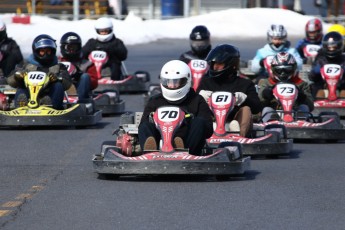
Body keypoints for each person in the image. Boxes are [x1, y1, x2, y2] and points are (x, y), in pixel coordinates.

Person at [138, 60, 213, 156]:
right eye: (168, 82)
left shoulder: (196, 100)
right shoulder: (155, 100)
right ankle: (150, 151)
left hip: (188, 144)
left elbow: (208, 130)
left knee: (199, 122)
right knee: (145, 124)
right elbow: (143, 125)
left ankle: (182, 149)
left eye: (176, 82)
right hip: (159, 141)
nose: (172, 85)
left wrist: (189, 119)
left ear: (187, 80)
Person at [197, 44, 262, 137]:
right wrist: (199, 97)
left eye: (219, 64)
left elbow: (257, 108)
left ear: (231, 64)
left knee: (246, 110)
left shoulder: (245, 84)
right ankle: (207, 133)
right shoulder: (206, 83)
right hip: (212, 121)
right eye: (214, 63)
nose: (215, 67)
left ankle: (240, 137)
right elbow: (192, 107)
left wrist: (245, 99)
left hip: (235, 122)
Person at [7, 34, 72, 109]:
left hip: (49, 95)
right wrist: (17, 76)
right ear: (36, 51)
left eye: (48, 51)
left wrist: (57, 78)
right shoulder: (25, 65)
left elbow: (68, 83)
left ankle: (51, 105)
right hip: (29, 95)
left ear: (52, 51)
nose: (45, 54)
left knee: (58, 85)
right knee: (22, 85)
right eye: (42, 51)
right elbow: (9, 80)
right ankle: (21, 106)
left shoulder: (59, 66)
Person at [258, 52, 314, 122]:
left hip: (295, 113)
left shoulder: (301, 84)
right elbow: (257, 105)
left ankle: (303, 127)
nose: (283, 73)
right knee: (267, 110)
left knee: (304, 107)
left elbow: (311, 106)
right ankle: (271, 126)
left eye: (287, 70)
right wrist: (265, 95)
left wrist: (302, 97)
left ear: (293, 69)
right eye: (279, 70)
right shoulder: (266, 83)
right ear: (273, 69)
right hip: (274, 113)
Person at [59, 32, 97, 101]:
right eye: (69, 47)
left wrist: (78, 75)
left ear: (79, 48)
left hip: (79, 92)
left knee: (85, 76)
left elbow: (94, 83)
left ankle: (80, 101)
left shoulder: (87, 63)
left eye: (74, 48)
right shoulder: (57, 62)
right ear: (63, 48)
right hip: (59, 93)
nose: (72, 50)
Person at [309, 31, 345, 98]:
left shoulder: (343, 59)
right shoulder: (320, 58)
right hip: (323, 87)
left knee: (343, 93)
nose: (331, 49)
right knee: (318, 91)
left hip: (341, 87)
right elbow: (311, 77)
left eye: (334, 47)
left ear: (339, 46)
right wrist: (315, 71)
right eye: (329, 47)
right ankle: (316, 104)